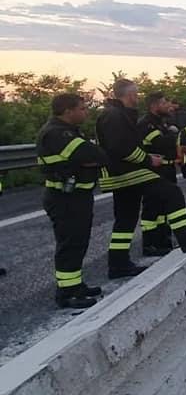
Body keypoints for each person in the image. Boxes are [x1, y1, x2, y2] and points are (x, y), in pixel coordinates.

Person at [97, 79, 186, 278]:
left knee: (125, 220)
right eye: (136, 94)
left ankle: (118, 265)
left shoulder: (120, 115)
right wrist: (148, 159)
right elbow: (120, 147)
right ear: (129, 95)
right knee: (171, 193)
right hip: (126, 171)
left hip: (123, 171)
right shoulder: (114, 116)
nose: (137, 98)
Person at [36, 93, 108, 308]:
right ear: (68, 111)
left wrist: (89, 161)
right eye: (82, 108)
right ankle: (66, 294)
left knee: (78, 243)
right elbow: (95, 154)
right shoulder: (57, 133)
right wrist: (90, 160)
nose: (86, 112)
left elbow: (97, 156)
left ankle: (76, 286)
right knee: (69, 244)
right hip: (64, 198)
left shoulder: (70, 132)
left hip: (77, 196)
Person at [138, 92, 179, 257]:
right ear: (154, 106)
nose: (167, 106)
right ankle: (149, 245)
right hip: (154, 170)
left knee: (164, 209)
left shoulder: (161, 122)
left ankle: (163, 241)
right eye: (164, 103)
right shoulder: (146, 123)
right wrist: (173, 134)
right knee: (152, 208)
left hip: (167, 169)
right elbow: (162, 144)